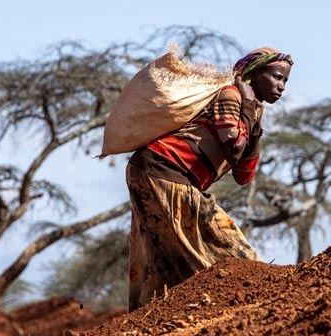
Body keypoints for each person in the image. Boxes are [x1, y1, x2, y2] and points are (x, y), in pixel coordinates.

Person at [125, 47, 293, 311]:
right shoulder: (230, 96)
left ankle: (154, 313)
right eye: (276, 76)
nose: (281, 86)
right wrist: (248, 108)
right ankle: (260, 294)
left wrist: (255, 124)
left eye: (284, 80)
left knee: (166, 255)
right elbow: (233, 149)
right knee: (226, 241)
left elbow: (243, 176)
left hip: (154, 171)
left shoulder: (250, 111)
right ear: (253, 75)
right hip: (163, 168)